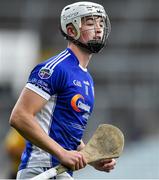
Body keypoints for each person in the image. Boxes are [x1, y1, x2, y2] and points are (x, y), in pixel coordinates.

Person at [9, 1, 116, 179]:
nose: (98, 29)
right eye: (90, 23)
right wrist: (62, 153)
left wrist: (91, 157)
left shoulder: (87, 78)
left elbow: (66, 132)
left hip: (61, 171)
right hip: (41, 169)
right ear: (71, 30)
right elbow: (19, 117)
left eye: (101, 23)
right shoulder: (54, 68)